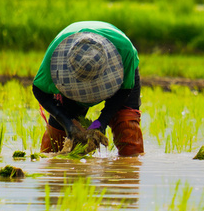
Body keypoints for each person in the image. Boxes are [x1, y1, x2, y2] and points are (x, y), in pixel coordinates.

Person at [33, 20, 144, 156]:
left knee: (128, 130)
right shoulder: (54, 55)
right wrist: (67, 123)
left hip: (119, 79)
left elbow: (125, 90)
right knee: (54, 146)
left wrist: (102, 122)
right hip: (71, 81)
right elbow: (39, 89)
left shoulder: (124, 50)